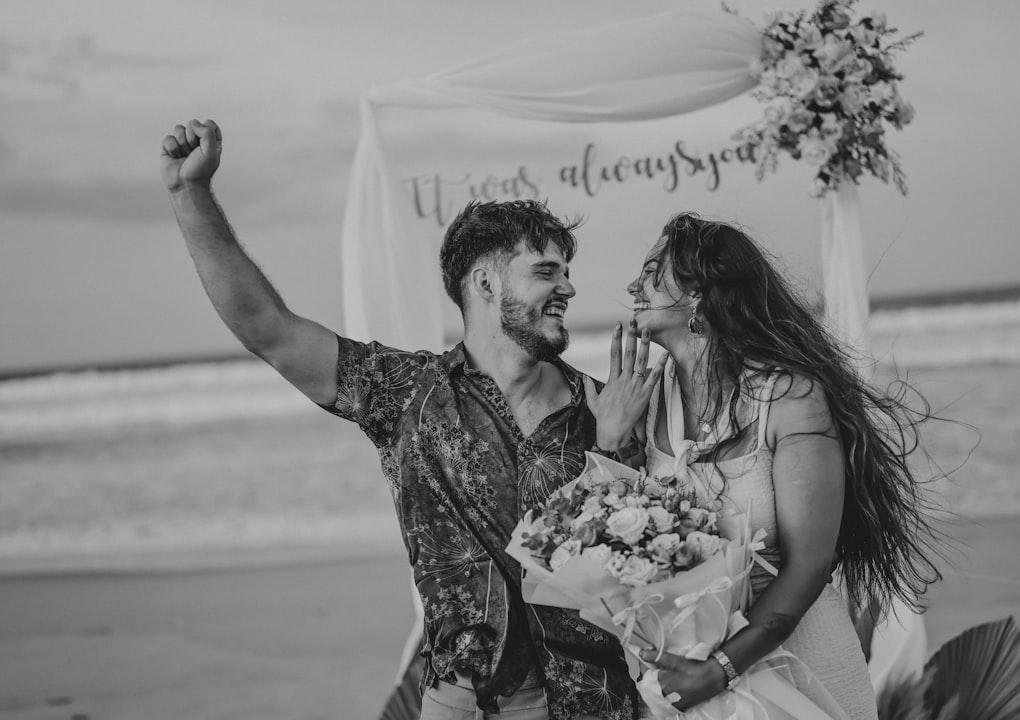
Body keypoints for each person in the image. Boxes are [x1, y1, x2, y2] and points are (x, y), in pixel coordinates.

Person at [159, 119, 639, 720]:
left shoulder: (606, 410)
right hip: (457, 701)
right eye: (546, 271)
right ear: (486, 282)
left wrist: (616, 451)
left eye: (566, 270)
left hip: (588, 704)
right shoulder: (404, 392)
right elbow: (268, 329)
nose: (568, 286)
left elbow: (648, 566)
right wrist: (190, 195)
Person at [585, 212, 946, 719]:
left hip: (801, 663)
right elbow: (621, 543)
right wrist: (610, 439)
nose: (632, 285)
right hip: (685, 678)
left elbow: (810, 563)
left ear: (698, 294)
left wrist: (721, 670)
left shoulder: (789, 397)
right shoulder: (646, 399)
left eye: (651, 272)